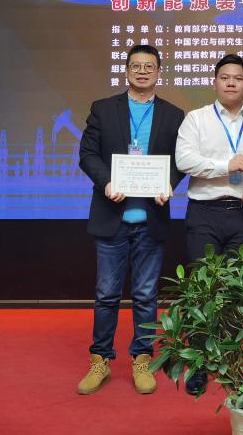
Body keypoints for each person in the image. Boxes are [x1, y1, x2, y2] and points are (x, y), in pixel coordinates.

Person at [77, 44, 185, 396]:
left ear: (159, 72)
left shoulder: (173, 115)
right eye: (136, 66)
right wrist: (106, 182)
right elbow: (87, 154)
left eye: (149, 66)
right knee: (106, 294)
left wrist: (169, 183)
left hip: (151, 218)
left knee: (145, 294)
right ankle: (100, 360)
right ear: (126, 71)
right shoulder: (103, 108)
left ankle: (142, 359)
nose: (142, 71)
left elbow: (180, 160)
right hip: (112, 216)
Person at [174, 53, 243, 395]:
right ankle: (199, 363)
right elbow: (185, 160)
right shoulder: (196, 119)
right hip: (204, 213)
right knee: (203, 290)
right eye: (225, 77)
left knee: (237, 291)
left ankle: (231, 361)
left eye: (238, 78)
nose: (231, 83)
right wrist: (226, 165)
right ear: (215, 82)